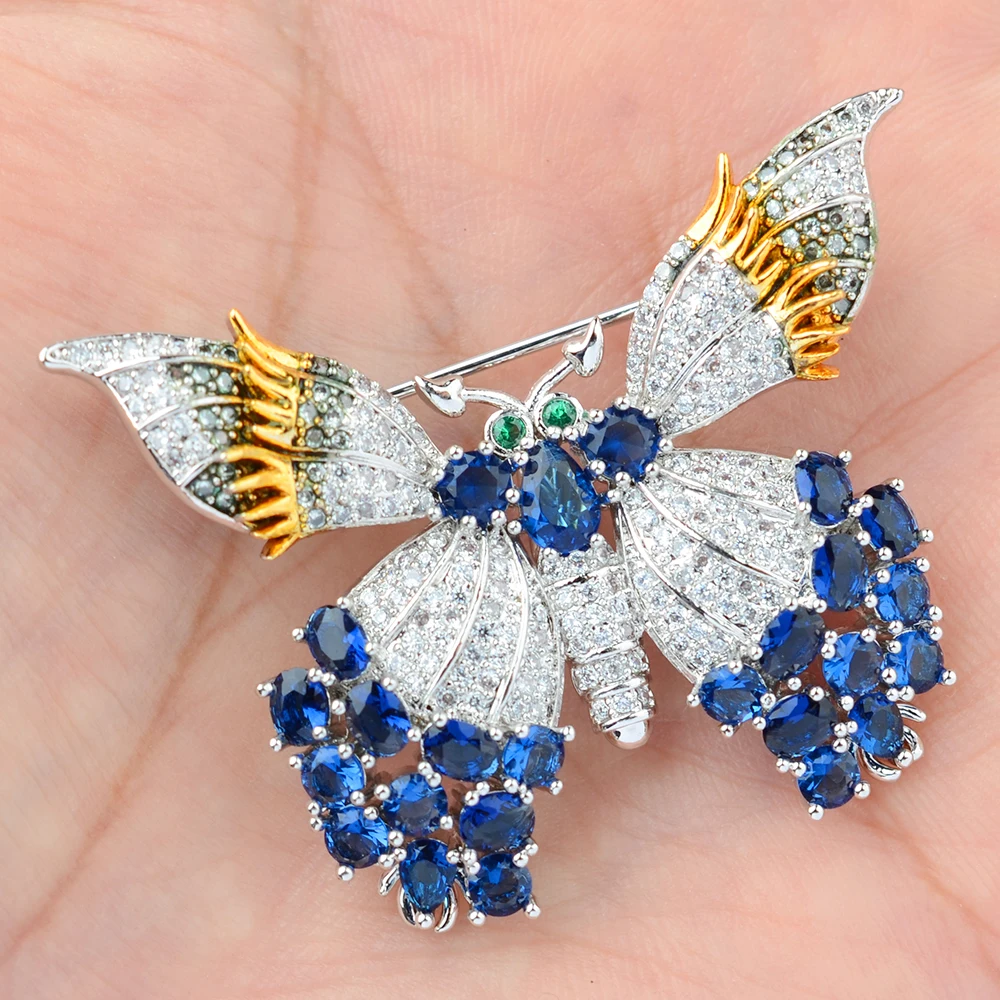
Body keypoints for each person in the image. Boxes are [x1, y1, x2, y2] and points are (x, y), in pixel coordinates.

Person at [2, 3, 997, 997]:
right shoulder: (588, 442)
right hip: (623, 538)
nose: (534, 433)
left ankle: (840, 720)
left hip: (574, 552)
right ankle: (476, 840)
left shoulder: (485, 474)